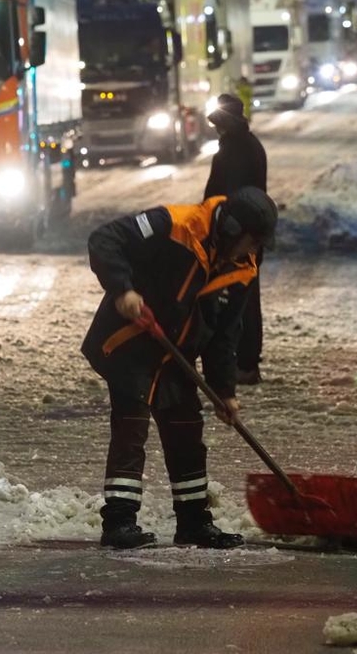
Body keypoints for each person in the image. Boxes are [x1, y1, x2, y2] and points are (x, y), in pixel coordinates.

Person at [81, 186, 278, 550]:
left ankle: (193, 522)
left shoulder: (243, 269)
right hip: (130, 342)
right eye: (252, 242)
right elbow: (104, 239)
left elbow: (225, 334)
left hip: (176, 357)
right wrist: (123, 289)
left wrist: (225, 391)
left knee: (187, 432)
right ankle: (119, 522)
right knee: (131, 430)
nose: (255, 251)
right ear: (232, 229)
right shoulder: (175, 224)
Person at [204, 93, 268, 385]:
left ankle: (245, 363)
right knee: (243, 298)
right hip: (245, 233)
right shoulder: (244, 145)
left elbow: (226, 196)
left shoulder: (236, 150)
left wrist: (221, 231)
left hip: (240, 235)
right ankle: (245, 361)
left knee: (242, 300)